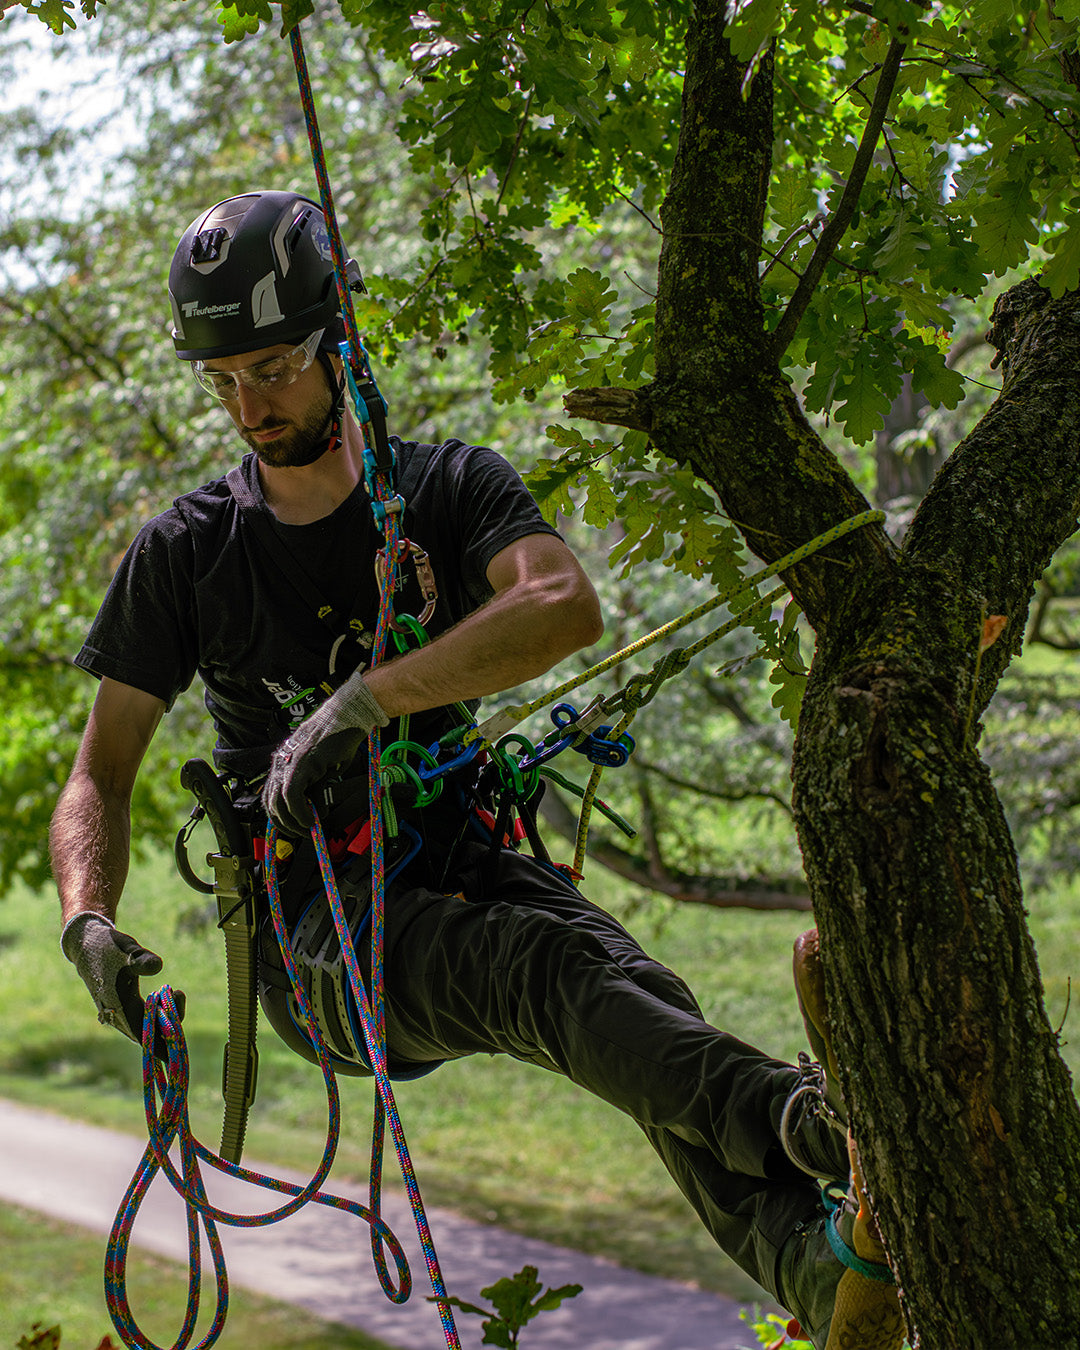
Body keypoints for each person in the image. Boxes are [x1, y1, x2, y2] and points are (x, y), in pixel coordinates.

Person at [49, 190, 902, 1350]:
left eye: (274, 368)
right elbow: (100, 767)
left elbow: (563, 602)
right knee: (539, 972)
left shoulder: (444, 492)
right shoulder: (190, 553)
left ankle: (818, 1266)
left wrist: (370, 697)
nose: (249, 406)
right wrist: (84, 917)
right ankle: (812, 1126)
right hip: (323, 938)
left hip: (464, 855)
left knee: (639, 1000)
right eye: (224, 382)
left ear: (340, 339)